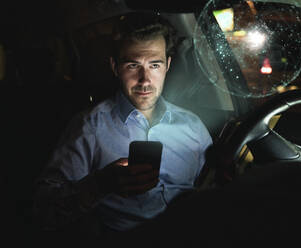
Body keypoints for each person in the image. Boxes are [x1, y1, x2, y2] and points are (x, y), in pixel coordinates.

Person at [33, 11, 213, 243]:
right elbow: (43, 211)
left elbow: (213, 186)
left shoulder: (193, 126)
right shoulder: (89, 127)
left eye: (154, 65)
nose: (145, 79)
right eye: (132, 65)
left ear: (168, 65)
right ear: (115, 67)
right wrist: (100, 185)